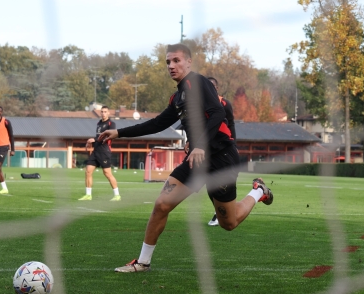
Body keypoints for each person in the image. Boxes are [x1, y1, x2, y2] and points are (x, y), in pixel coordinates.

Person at [98, 44, 273, 273]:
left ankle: (258, 190)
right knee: (161, 205)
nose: (171, 66)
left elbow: (218, 113)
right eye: (168, 62)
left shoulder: (198, 82)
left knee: (228, 223)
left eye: (176, 60)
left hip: (221, 160)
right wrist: (119, 132)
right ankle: (143, 262)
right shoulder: (178, 96)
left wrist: (199, 144)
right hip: (196, 161)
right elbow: (158, 123)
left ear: (189, 62)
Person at [205, 77, 236, 227]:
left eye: (212, 86)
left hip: (224, 150)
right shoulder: (198, 105)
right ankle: (219, 212)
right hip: (208, 152)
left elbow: (231, 124)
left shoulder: (224, 104)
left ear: (216, 88)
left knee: (222, 185)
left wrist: (233, 145)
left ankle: (222, 213)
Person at [78, 105, 121, 201]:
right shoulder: (98, 123)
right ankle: (88, 195)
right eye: (102, 111)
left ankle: (117, 195)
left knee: (107, 173)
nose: (103, 113)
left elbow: (109, 136)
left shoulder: (111, 124)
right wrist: (90, 143)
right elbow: (97, 137)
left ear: (108, 113)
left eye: (105, 111)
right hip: (96, 151)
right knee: (88, 171)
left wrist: (94, 139)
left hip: (104, 151)